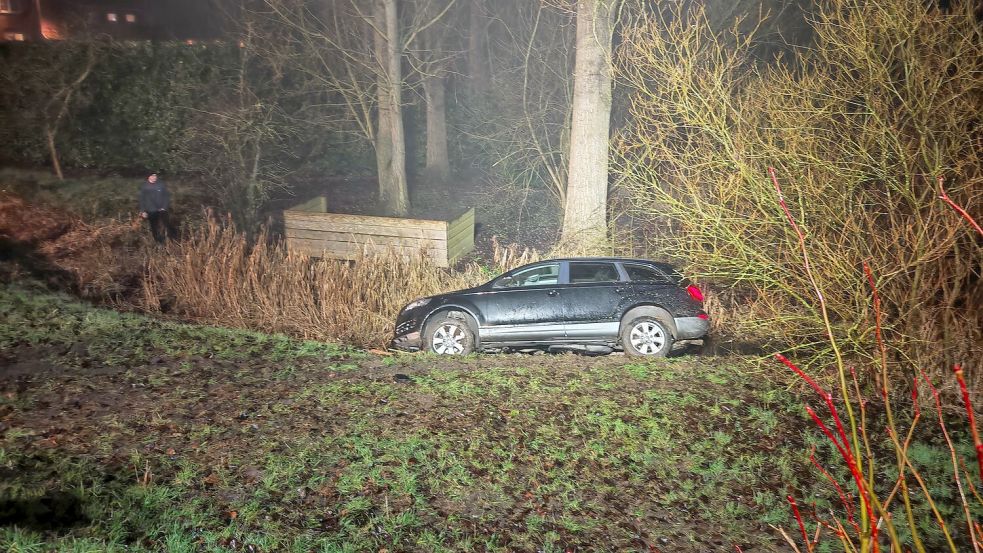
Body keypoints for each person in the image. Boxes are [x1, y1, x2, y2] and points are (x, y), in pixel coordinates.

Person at [139, 172, 171, 243]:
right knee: (154, 227)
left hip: (162, 210)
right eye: (152, 176)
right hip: (151, 211)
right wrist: (143, 211)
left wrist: (164, 207)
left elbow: (166, 196)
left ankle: (168, 241)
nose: (154, 177)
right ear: (148, 177)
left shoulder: (161, 185)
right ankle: (158, 243)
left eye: (155, 176)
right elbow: (142, 199)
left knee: (165, 226)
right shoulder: (144, 186)